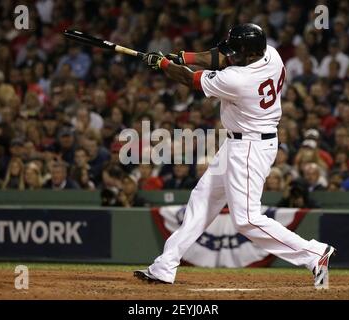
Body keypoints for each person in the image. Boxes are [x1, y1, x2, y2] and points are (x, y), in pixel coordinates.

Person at [134, 23, 335, 289]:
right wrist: (183, 57)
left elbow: (190, 79)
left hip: (250, 147)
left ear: (249, 53)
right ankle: (165, 266)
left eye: (238, 51)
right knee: (202, 201)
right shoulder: (271, 54)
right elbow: (220, 56)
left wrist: (162, 65)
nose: (232, 55)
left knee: (246, 219)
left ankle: (313, 253)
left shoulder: (238, 79)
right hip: (240, 143)